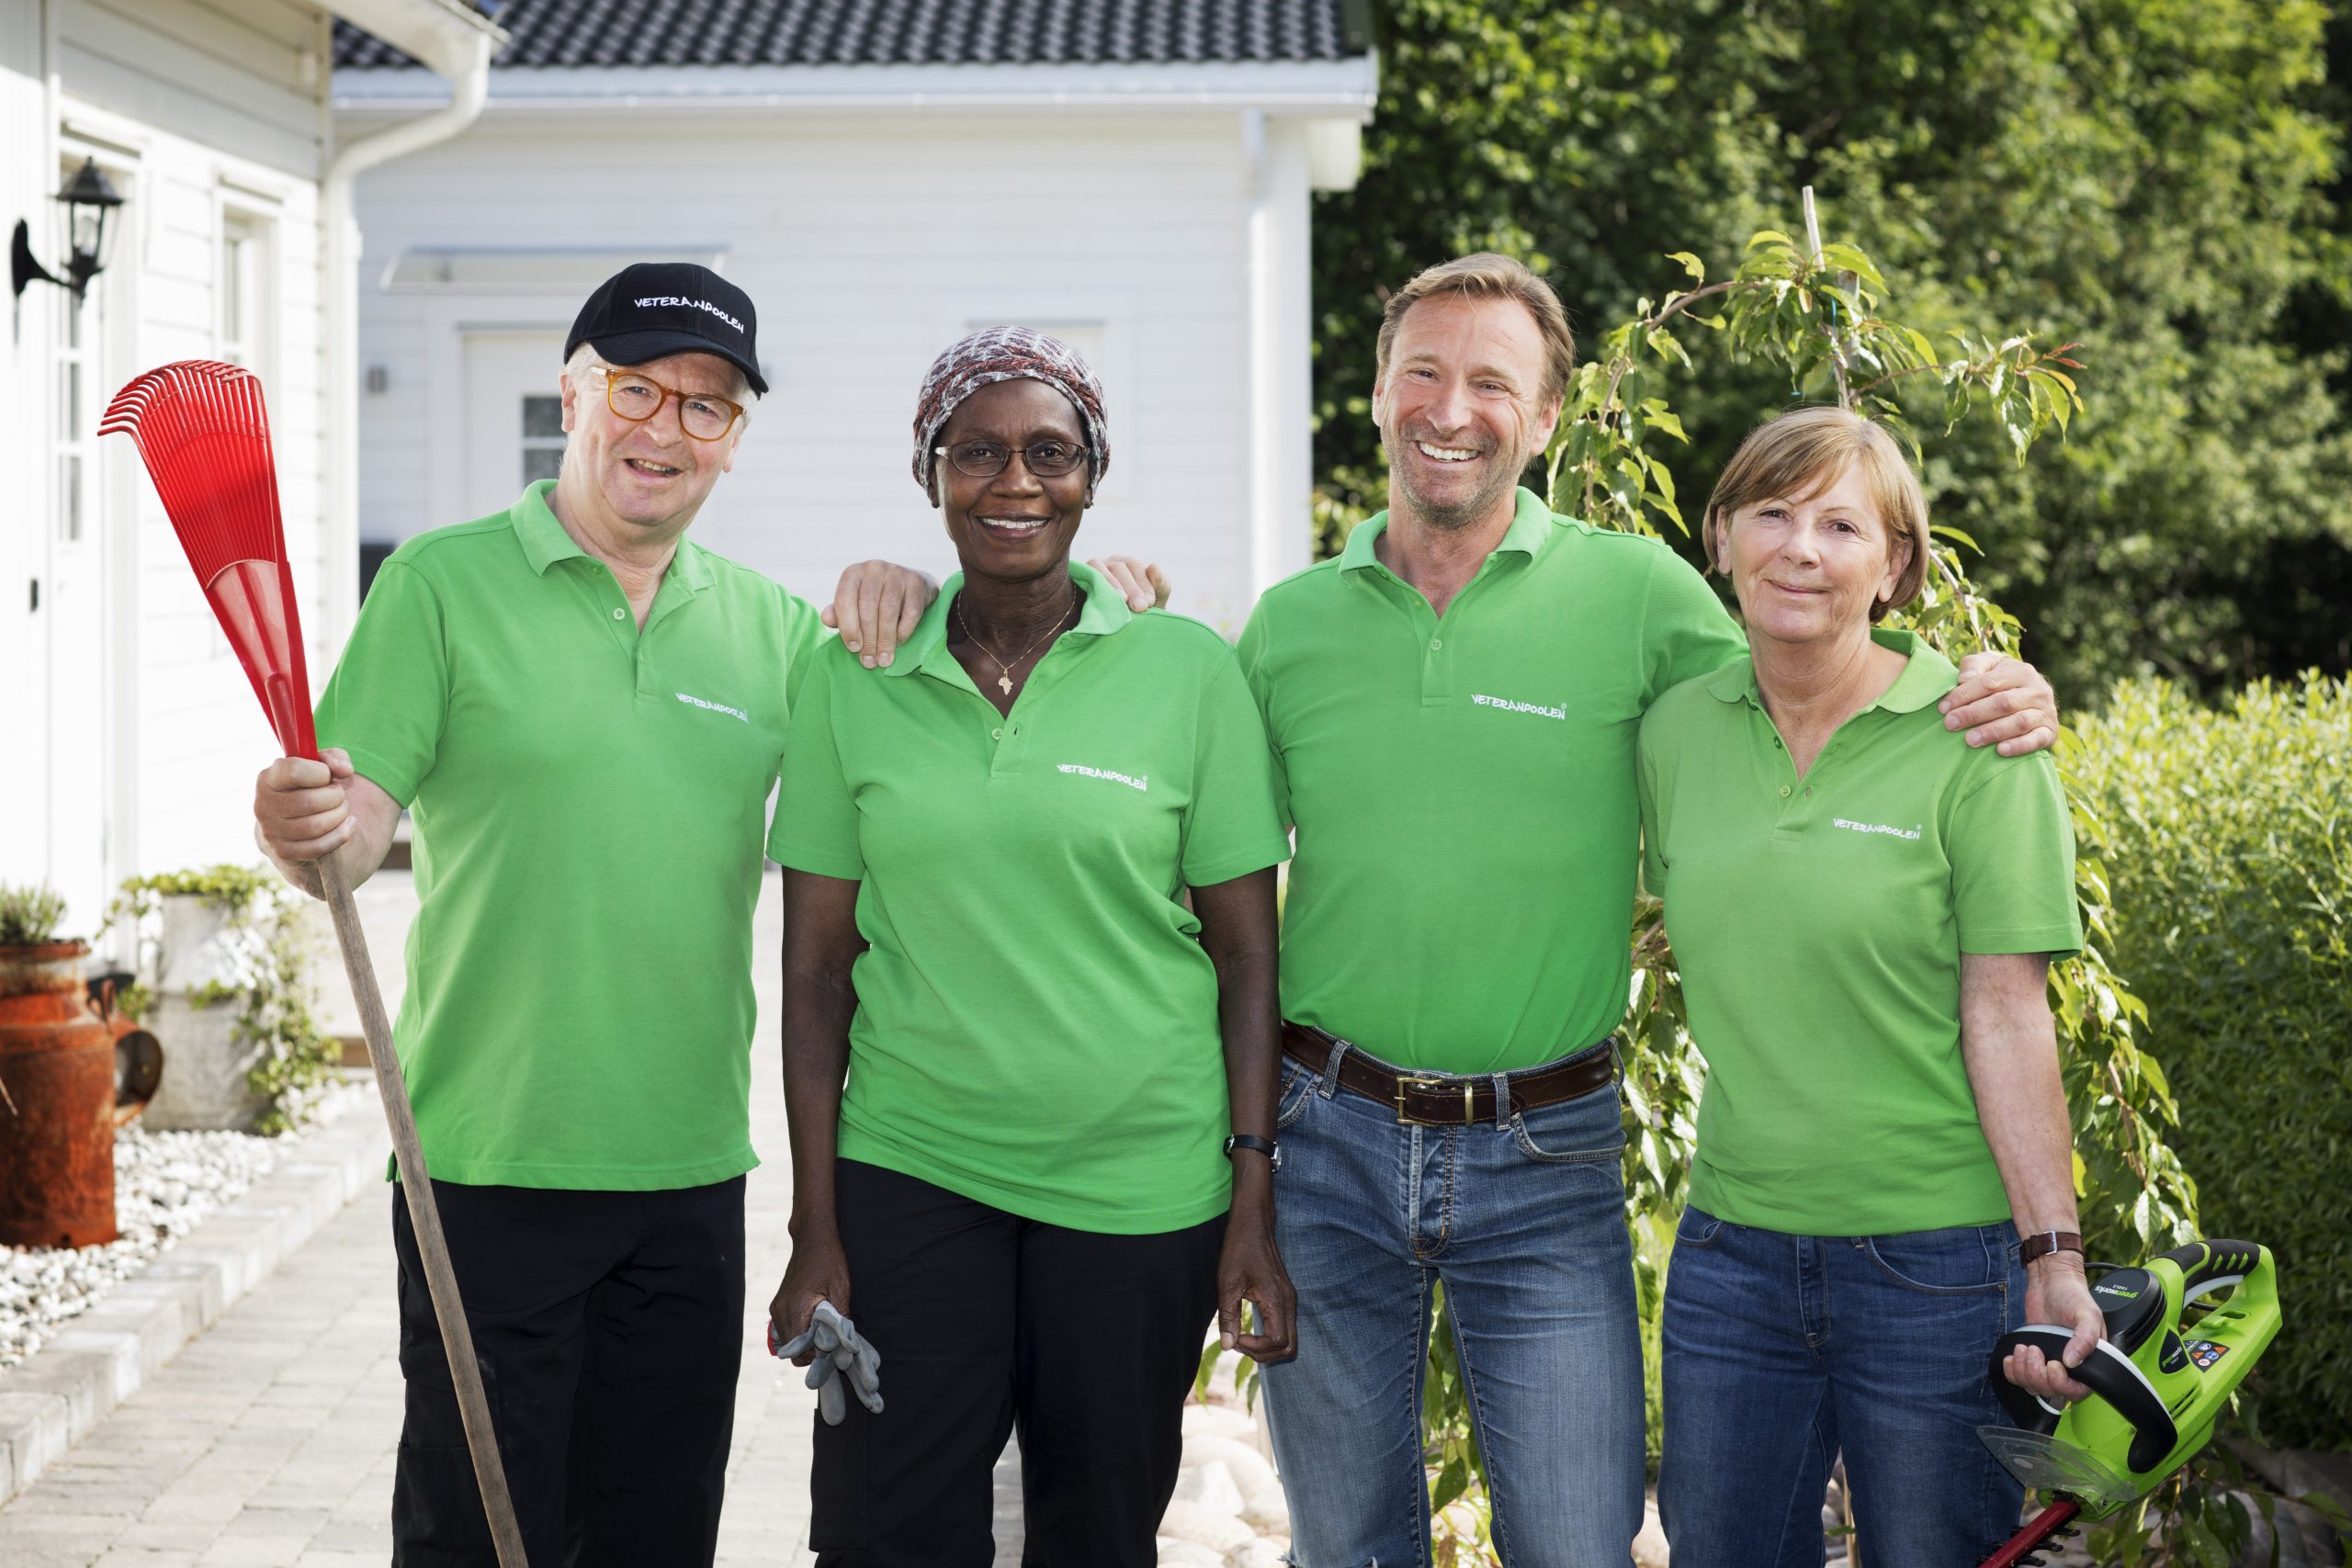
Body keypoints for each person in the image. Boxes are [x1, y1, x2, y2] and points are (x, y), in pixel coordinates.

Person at [247, 267, 1166, 1566]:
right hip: (482, 1161)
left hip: (688, 1178)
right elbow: (343, 828)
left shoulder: (779, 638)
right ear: (575, 393)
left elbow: (966, 674)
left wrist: (1099, 591)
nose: (666, 430)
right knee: (470, 1532)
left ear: (735, 445)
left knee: (657, 1532)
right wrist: (301, 824)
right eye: (639, 390)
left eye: (709, 408)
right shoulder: (442, 589)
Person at [1238, 253, 2064, 1568]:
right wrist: (1108, 597)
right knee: (1344, 1543)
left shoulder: (1639, 601)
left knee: (1577, 1538)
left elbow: (1814, 661)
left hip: (1544, 1153)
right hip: (1326, 1139)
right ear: (1379, 391)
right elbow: (1200, 860)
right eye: (1426, 371)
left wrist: (1999, 687)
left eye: (1493, 381)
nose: (1453, 406)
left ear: (1549, 418)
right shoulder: (1283, 629)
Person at [765, 326, 1298, 1568]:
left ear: (1092, 473)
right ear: (930, 473)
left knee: (1098, 1531)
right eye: (978, 453)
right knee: (881, 1530)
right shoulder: (856, 674)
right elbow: (812, 971)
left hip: (1139, 1187)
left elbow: (1248, 957)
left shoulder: (1186, 670)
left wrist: (1251, 1199)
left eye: (1049, 452)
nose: (1015, 481)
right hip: (914, 1168)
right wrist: (814, 1225)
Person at [1636, 406, 2102, 1567]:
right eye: (1772, 514)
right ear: (1721, 535)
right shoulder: (1674, 729)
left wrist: (2055, 1256)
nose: (1801, 547)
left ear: (1894, 565)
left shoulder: (1976, 743)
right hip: (1731, 1253)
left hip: (1936, 1262)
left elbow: (2007, 1011)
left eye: (1842, 524)